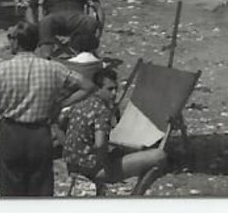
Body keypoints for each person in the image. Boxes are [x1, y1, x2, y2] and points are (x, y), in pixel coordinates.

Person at [0, 23, 91, 198]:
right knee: (40, 189)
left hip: (12, 133)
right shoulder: (53, 68)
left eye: (11, 38)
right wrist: (61, 104)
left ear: (17, 42)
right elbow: (88, 86)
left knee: (11, 188)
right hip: (40, 134)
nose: (9, 42)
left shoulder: (2, 69)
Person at [63, 67, 169, 196]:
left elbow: (62, 124)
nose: (114, 93)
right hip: (94, 170)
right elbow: (100, 144)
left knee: (124, 152)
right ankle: (136, 197)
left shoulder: (80, 104)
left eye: (115, 89)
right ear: (98, 89)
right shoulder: (101, 110)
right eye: (109, 89)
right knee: (159, 157)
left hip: (73, 166)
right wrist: (107, 166)